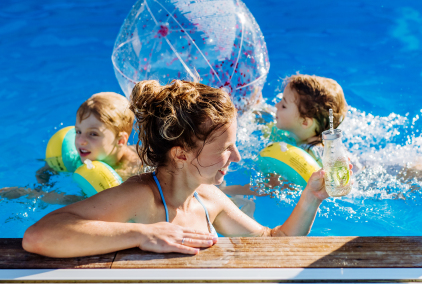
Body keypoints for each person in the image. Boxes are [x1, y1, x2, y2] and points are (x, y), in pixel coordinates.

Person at [22, 80, 330, 258]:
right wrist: (142, 233)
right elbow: (38, 235)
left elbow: (273, 243)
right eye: (225, 148)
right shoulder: (140, 197)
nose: (236, 157)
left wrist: (310, 198)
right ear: (181, 155)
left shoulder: (209, 199)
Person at [220, 74, 357, 196]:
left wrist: (225, 192)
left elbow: (269, 186)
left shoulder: (316, 155)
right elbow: (261, 116)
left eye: (284, 105)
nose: (276, 105)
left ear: (305, 122)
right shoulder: (289, 133)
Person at [1, 92, 141, 204]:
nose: (80, 141)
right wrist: (42, 185)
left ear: (121, 140)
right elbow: (44, 171)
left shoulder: (134, 171)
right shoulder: (73, 156)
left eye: (93, 134)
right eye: (78, 131)